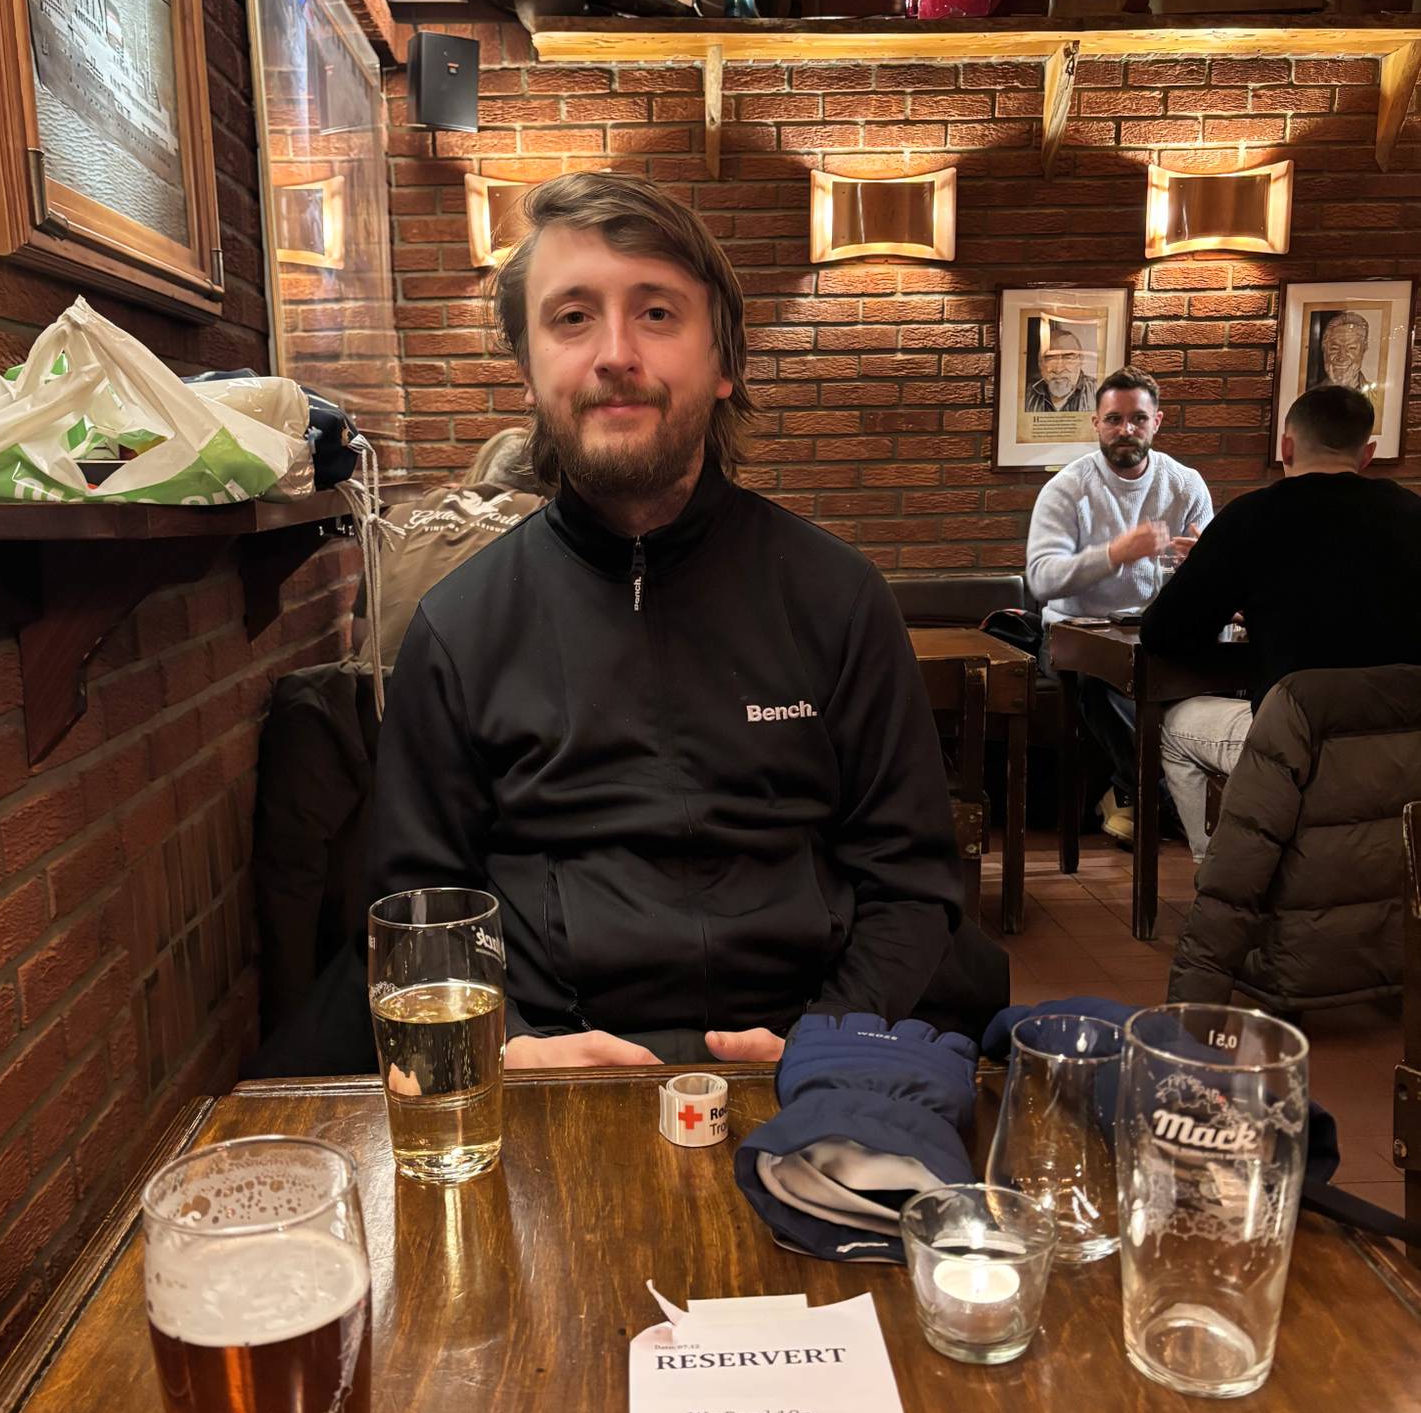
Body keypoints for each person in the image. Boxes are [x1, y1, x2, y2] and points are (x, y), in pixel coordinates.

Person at [361, 170, 1006, 1071]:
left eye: (657, 313)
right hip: (555, 1071)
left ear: (724, 362)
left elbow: (912, 884)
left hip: (812, 1058)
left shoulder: (838, 597)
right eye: (572, 317)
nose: (615, 352)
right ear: (528, 365)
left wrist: (825, 1040)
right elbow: (421, 907)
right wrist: (506, 1049)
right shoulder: (460, 628)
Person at [1143, 383, 1421, 861]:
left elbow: (1164, 634)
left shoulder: (1253, 517)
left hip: (1298, 743)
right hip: (1405, 747)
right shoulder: (1414, 513)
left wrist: (1258, 619)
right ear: (1368, 453)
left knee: (1173, 726)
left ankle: (1223, 877)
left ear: (1286, 446)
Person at [1026, 369, 1213, 844]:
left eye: (1137, 419)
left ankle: (1127, 793)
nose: (1125, 429)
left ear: (1157, 423)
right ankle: (1168, 800)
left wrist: (1202, 565)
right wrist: (1115, 553)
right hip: (1073, 633)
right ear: (1096, 424)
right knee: (1095, 682)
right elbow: (1042, 578)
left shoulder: (1186, 485)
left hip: (1152, 631)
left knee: (1207, 677)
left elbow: (1213, 577)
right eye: (1114, 419)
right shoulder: (1068, 488)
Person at [349, 427, 554, 669]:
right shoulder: (543, 515)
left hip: (374, 687)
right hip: (466, 695)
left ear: (485, 465)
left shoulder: (403, 510)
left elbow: (360, 635)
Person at [1025, 330, 1095, 413]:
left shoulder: (1097, 391)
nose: (1059, 369)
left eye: (1068, 358)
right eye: (1050, 358)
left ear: (1080, 360)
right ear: (1040, 363)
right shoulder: (1026, 394)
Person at [1315, 311, 1369, 393]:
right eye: (1334, 348)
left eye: (1351, 348)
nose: (1342, 357)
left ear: (1363, 350)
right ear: (1324, 349)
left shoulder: (1378, 396)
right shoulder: (1310, 395)